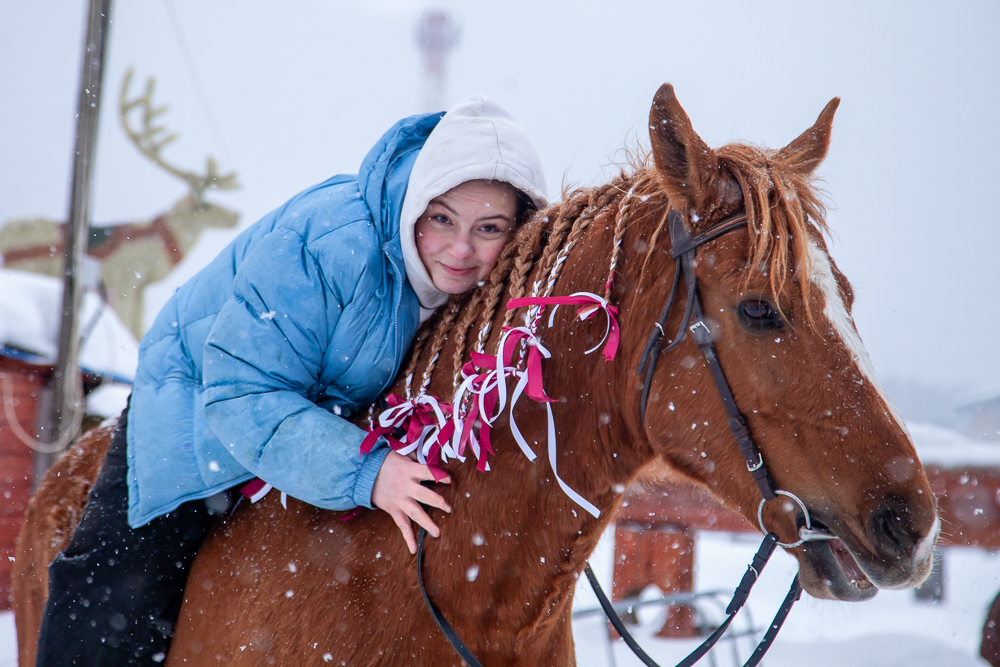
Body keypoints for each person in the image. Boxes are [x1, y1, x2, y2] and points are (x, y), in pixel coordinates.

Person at [35, 96, 548, 666]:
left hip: (319, 402)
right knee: (122, 583)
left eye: (490, 228)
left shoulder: (488, 282)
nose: (461, 249)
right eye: (443, 218)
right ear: (414, 205)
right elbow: (239, 390)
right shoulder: (333, 245)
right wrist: (365, 470)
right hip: (201, 388)